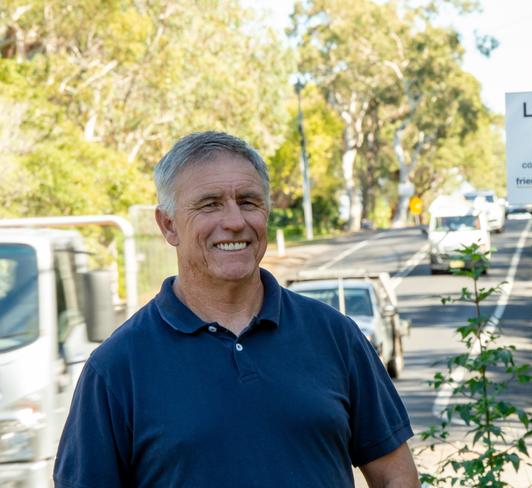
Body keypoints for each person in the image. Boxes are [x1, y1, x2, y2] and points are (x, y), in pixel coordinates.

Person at [54, 131, 419, 487]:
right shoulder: (117, 367)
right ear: (168, 225)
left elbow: (395, 474)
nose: (234, 221)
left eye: (248, 201)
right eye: (209, 204)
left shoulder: (334, 334)